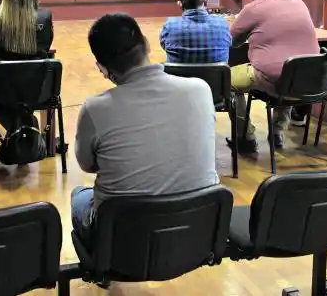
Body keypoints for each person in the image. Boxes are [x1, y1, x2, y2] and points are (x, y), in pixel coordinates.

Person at [72, 14, 219, 241]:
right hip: (198, 230)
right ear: (147, 44)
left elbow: (87, 164)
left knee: (79, 196)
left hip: (125, 237)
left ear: (102, 67)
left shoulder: (95, 109)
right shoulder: (201, 90)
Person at [229, 0, 320, 150]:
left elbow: (232, 41)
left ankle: (245, 137)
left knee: (227, 80)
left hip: (271, 76)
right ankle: (277, 131)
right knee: (289, 71)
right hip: (308, 74)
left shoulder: (254, 8)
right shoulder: (299, 2)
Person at [0, 0, 55, 128]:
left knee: (1, 104)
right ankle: (25, 128)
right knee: (20, 109)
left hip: (1, 93)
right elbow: (46, 47)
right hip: (37, 92)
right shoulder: (45, 17)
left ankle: (19, 130)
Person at [159, 0, 231, 63]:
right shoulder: (222, 24)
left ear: (180, 4)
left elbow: (165, 46)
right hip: (216, 72)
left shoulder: (170, 26)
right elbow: (228, 45)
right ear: (206, 0)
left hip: (180, 72)